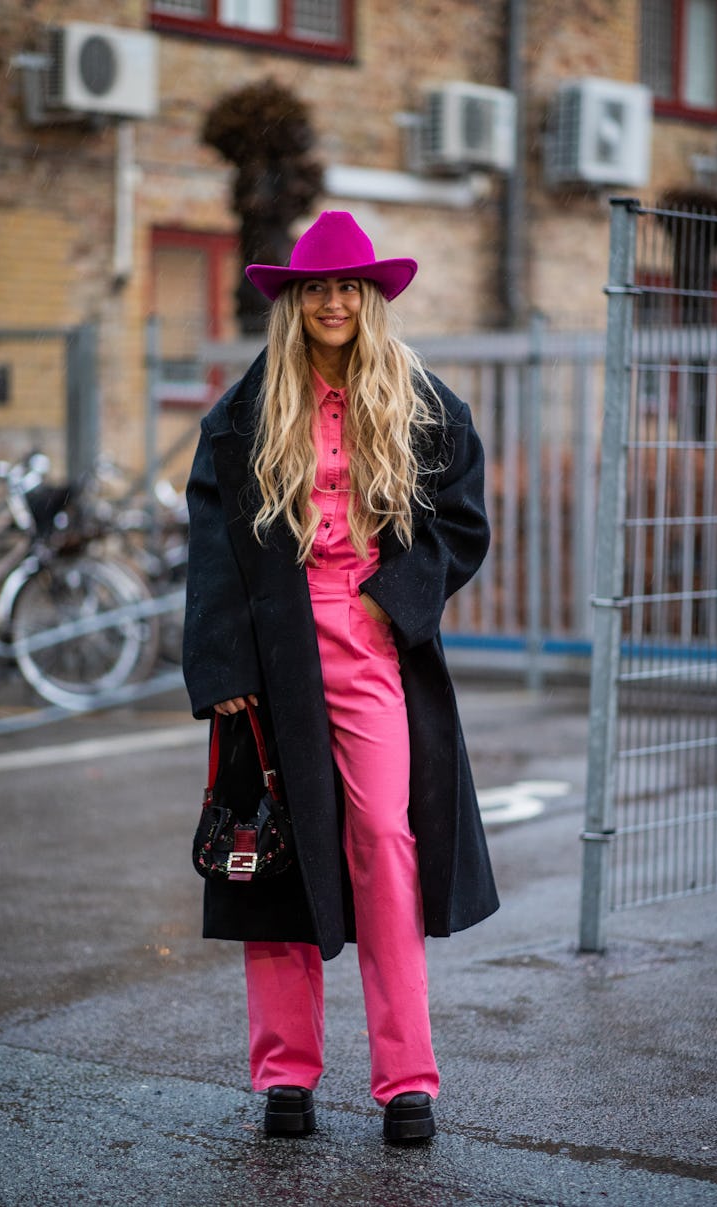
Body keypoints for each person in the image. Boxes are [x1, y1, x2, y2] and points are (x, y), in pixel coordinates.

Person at [183, 210, 499, 1144]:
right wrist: (224, 662)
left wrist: (393, 599)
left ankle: (407, 1080)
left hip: (371, 643)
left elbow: (463, 521)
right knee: (276, 852)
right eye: (314, 288)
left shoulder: (425, 403)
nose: (331, 301)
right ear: (292, 301)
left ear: (370, 299)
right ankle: (286, 1075)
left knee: (384, 846)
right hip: (272, 654)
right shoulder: (244, 413)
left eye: (347, 288)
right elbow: (210, 545)